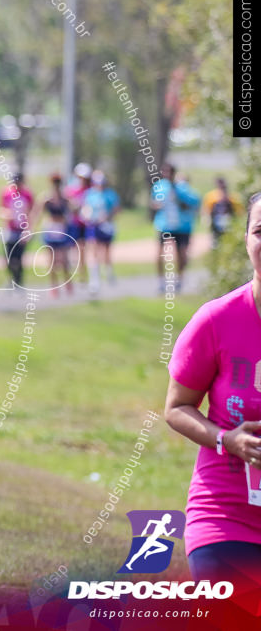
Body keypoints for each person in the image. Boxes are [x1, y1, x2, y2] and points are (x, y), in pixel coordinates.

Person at [165, 191, 261, 604]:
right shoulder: (217, 320)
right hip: (224, 519)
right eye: (260, 231)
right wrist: (228, 439)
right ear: (246, 240)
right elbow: (176, 408)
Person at [151, 162, 200, 293]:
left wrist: (180, 200)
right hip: (164, 225)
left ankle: (180, 279)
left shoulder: (182, 188)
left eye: (169, 172)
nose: (167, 174)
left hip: (182, 226)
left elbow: (194, 203)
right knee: (160, 254)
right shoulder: (159, 186)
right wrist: (158, 205)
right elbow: (154, 202)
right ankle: (161, 282)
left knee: (181, 255)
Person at [81, 170, 121, 295]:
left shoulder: (110, 194)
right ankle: (95, 280)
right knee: (94, 250)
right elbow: (85, 208)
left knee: (106, 250)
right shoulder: (90, 194)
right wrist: (87, 216)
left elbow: (116, 209)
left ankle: (108, 272)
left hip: (107, 226)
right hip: (94, 226)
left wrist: (107, 217)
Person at [36, 173, 75, 298]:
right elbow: (37, 214)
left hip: (62, 230)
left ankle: (67, 284)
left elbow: (73, 211)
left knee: (64, 260)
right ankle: (53, 286)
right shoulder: (46, 199)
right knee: (52, 261)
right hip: (51, 229)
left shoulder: (65, 199)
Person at [0, 172, 34, 289]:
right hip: (10, 229)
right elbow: (1, 209)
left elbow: (31, 213)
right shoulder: (6, 194)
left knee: (19, 258)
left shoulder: (27, 194)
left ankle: (19, 282)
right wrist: (6, 215)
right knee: (8, 258)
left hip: (22, 230)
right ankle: (12, 279)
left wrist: (28, 229)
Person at [65, 163, 92, 285]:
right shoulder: (71, 189)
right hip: (73, 223)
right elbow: (68, 204)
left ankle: (82, 273)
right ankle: (73, 271)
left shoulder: (91, 190)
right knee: (72, 248)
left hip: (85, 224)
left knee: (82, 249)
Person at [202, 177, 243, 249]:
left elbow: (239, 211)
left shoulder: (232, 197)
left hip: (230, 222)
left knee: (228, 240)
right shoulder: (211, 197)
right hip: (215, 223)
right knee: (216, 240)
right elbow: (206, 210)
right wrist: (206, 219)